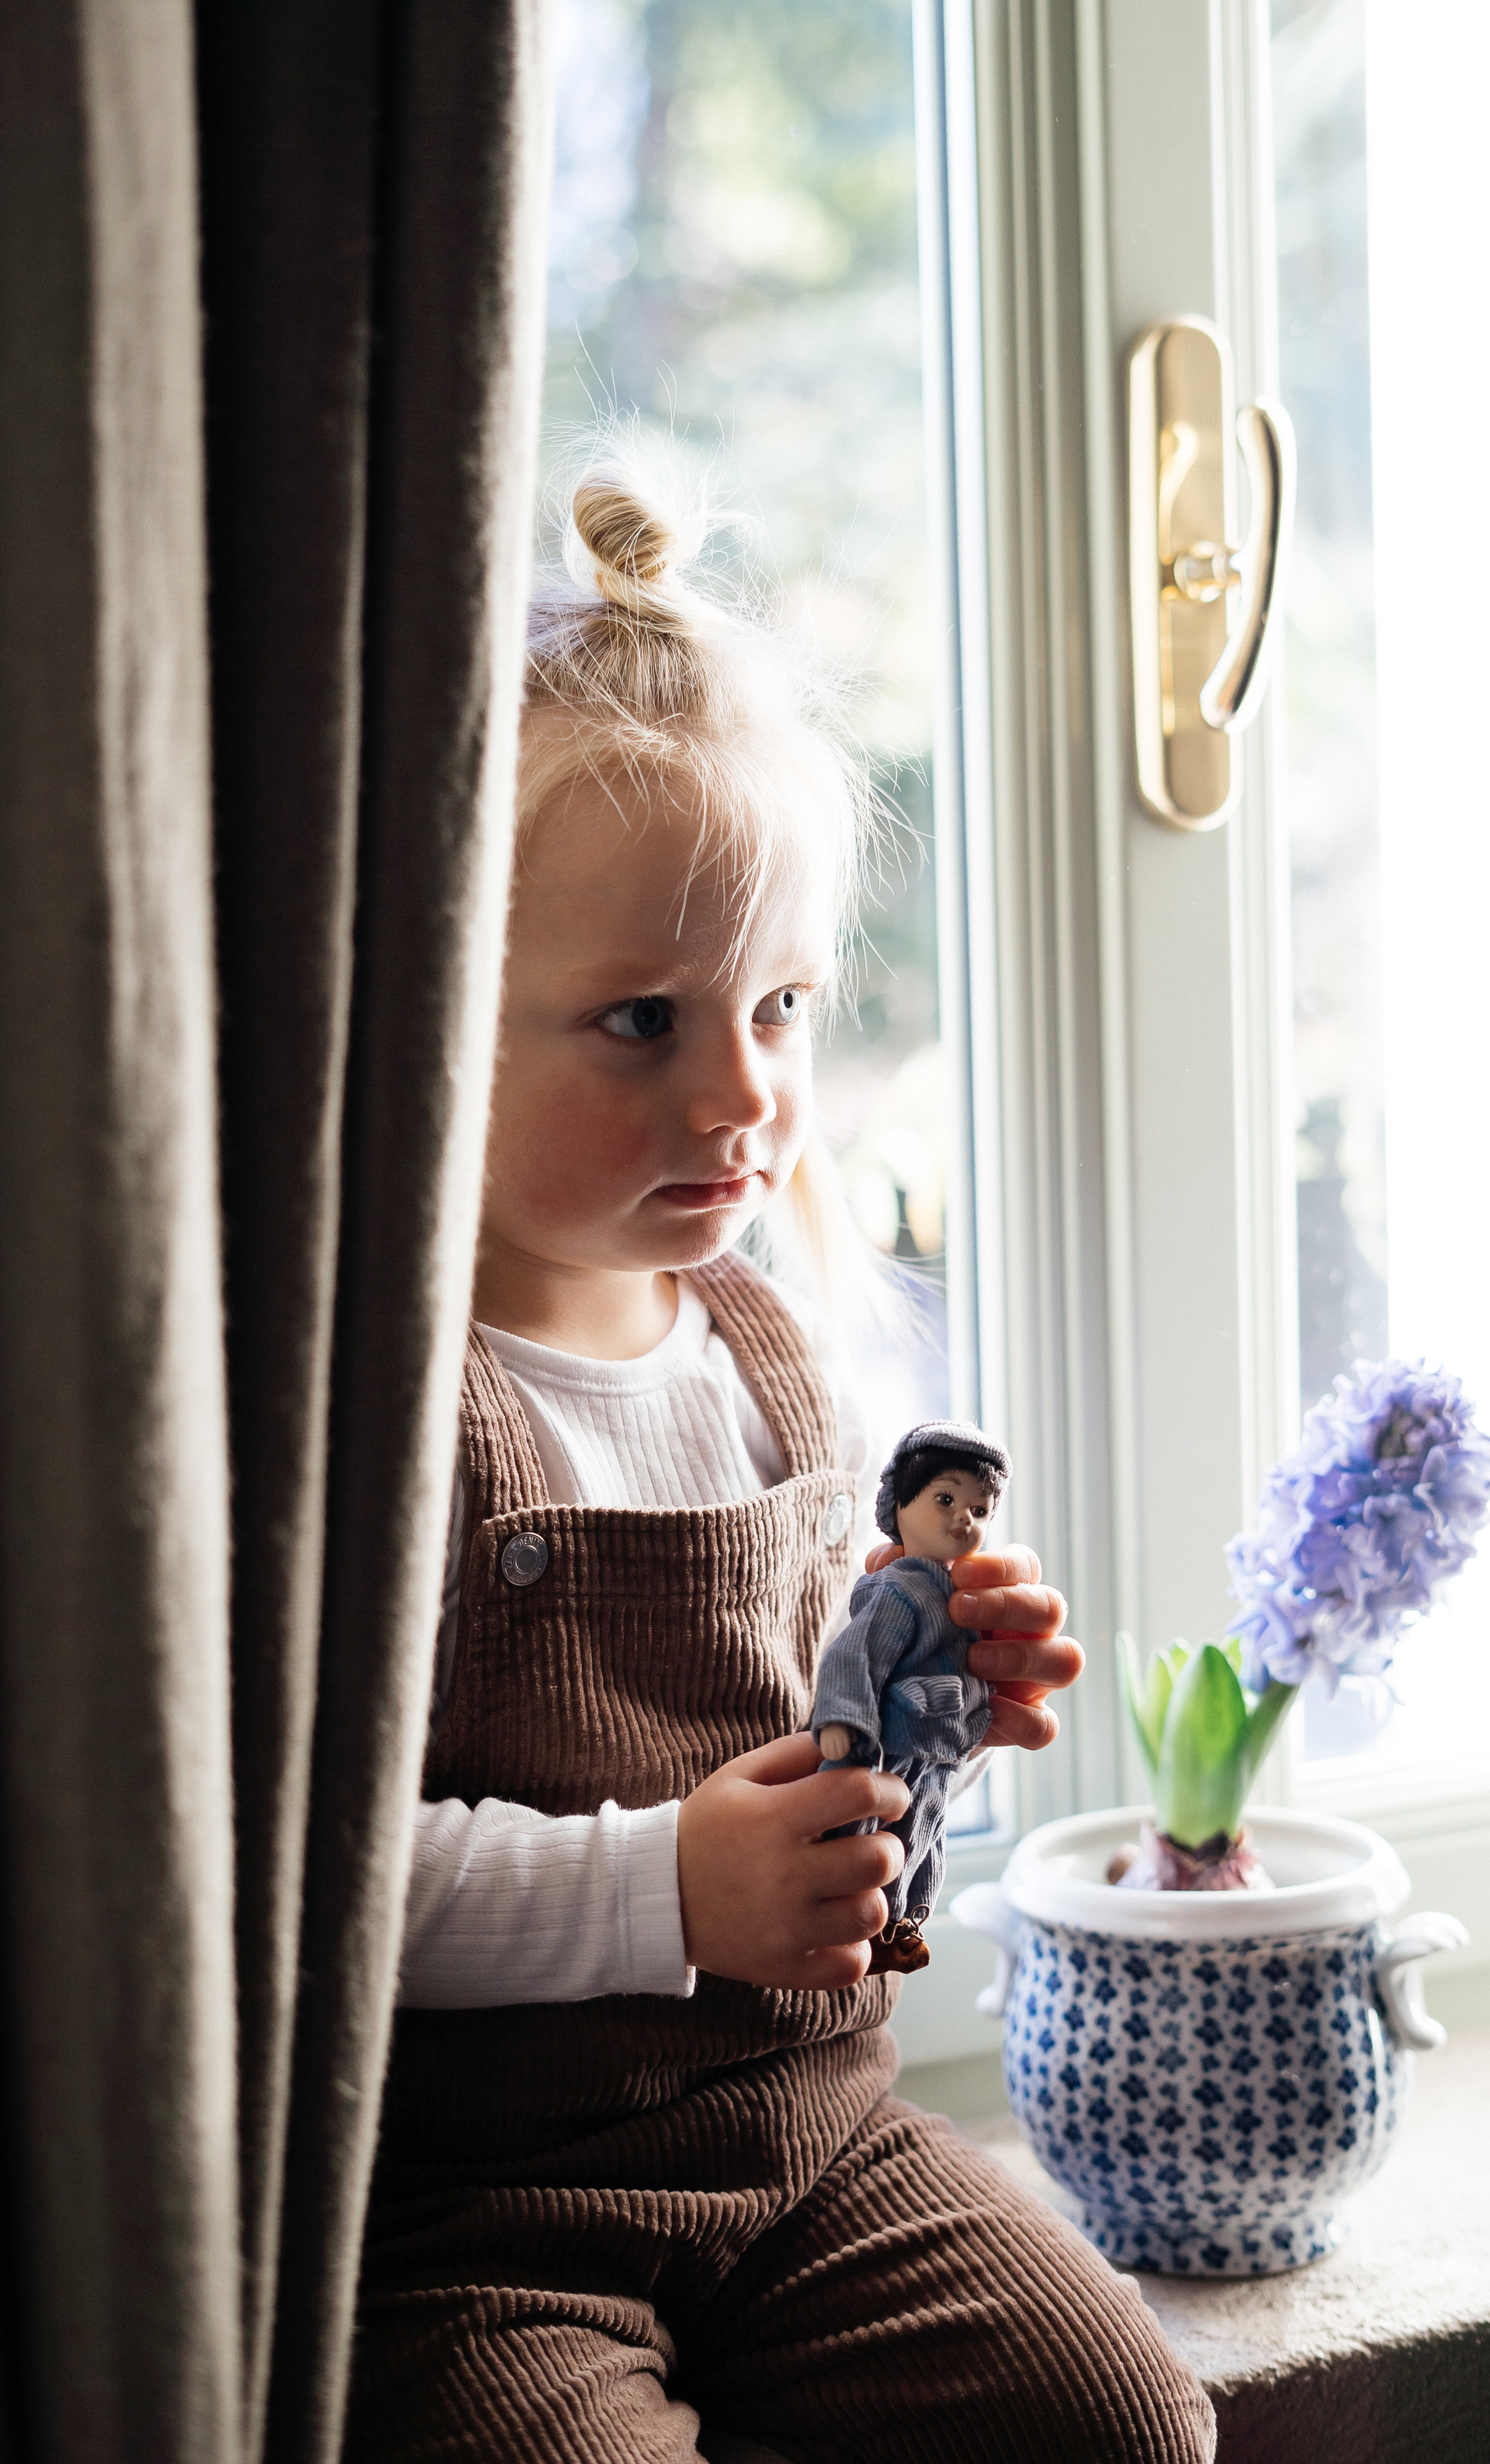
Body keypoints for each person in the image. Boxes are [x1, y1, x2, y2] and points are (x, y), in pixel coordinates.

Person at [344, 455, 1217, 2463]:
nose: (744, 1094)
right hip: (473, 2219)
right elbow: (313, 1880)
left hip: (811, 2136)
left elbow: (796, 1725)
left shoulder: (777, 1347)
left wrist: (926, 1713)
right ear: (415, 1020)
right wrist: (667, 1882)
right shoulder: (377, 1407)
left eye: (783, 1006)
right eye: (639, 1018)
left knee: (1118, 2416)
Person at [812, 1424, 1009, 1974]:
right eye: (945, 1499)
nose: (963, 1519)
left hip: (942, 1744)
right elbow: (855, 1655)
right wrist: (842, 1718)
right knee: (870, 1827)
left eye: (981, 1509)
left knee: (925, 1836)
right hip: (900, 1732)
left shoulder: (960, 1595)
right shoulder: (900, 1589)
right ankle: (853, 1913)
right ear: (899, 1503)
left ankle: (902, 1922)